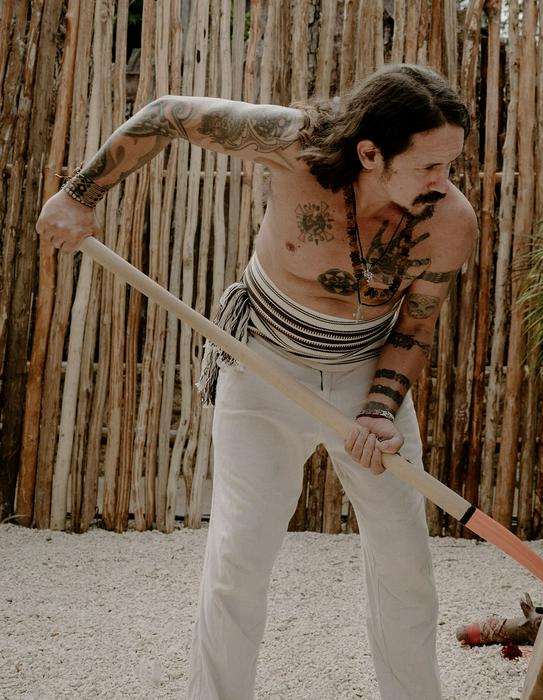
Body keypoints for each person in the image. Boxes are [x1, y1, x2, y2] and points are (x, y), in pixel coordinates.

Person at [35, 64, 477, 699]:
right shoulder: (293, 144)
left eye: (450, 164)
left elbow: (416, 327)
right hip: (262, 365)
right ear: (370, 153)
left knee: (406, 565)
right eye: (429, 166)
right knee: (240, 558)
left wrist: (381, 411)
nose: (444, 181)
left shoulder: (450, 221)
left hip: (367, 378)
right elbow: (169, 113)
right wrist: (79, 194)